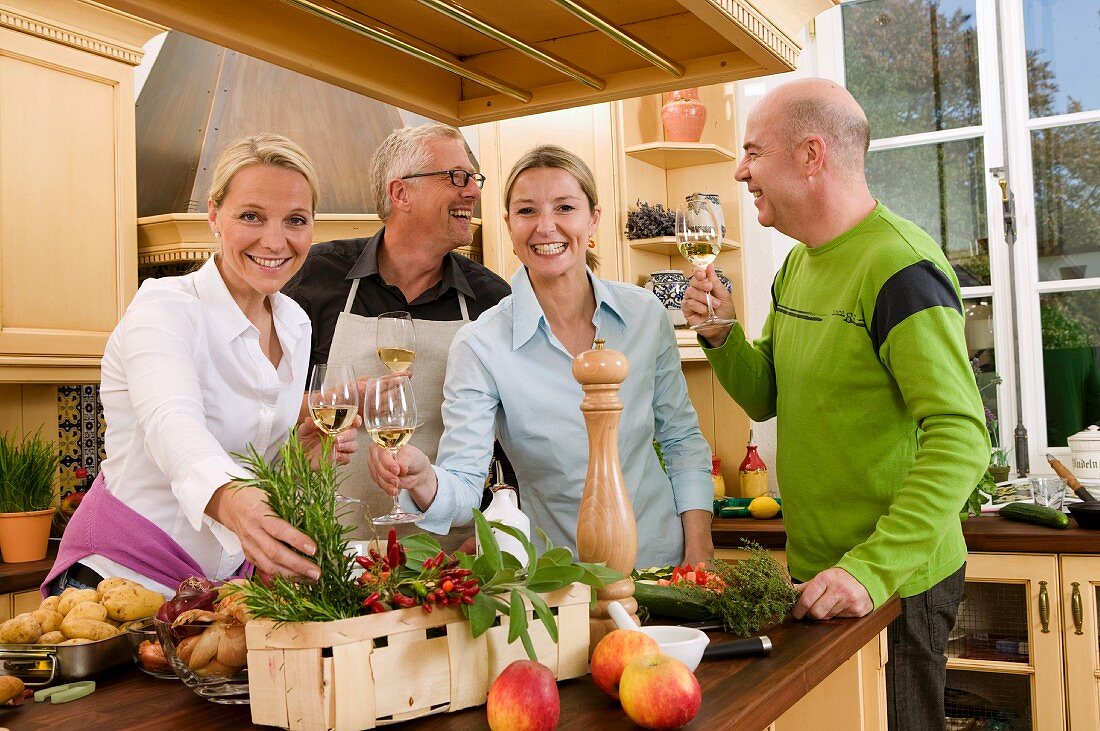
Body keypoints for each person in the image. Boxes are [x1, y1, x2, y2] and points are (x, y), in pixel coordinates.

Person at [682, 78, 988, 731]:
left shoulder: (900, 268)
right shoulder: (800, 264)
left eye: (753, 152)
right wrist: (721, 334)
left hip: (896, 582)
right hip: (822, 575)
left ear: (810, 155)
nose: (740, 171)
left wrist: (870, 572)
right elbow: (768, 392)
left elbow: (962, 438)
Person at [367, 144, 714, 568]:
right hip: (558, 582)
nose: (546, 227)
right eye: (527, 211)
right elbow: (463, 483)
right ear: (509, 226)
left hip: (662, 565)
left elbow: (682, 443)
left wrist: (700, 553)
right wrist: (423, 479)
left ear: (593, 221)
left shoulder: (645, 316)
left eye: (565, 207)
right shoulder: (481, 344)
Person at [44, 134, 359, 597]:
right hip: (121, 579)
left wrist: (299, 459)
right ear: (214, 214)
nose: (275, 240)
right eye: (251, 216)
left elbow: (251, 457)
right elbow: (173, 425)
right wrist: (233, 502)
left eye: (295, 220)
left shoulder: (295, 324)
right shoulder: (164, 309)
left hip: (220, 587)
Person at [283, 124, 510, 551]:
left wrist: (493, 533)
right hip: (329, 552)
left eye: (473, 179)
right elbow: (265, 409)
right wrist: (330, 407)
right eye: (456, 177)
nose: (473, 192)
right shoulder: (314, 277)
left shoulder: (491, 299)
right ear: (400, 193)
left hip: (445, 560)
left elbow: (510, 441)